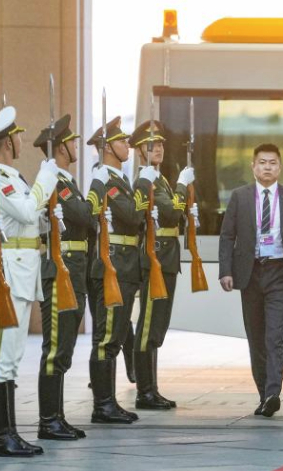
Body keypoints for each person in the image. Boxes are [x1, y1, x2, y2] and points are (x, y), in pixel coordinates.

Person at [219, 143, 283, 418]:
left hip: (281, 274)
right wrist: (226, 270)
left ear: (280, 167)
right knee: (256, 338)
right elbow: (227, 236)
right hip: (250, 273)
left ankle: (273, 392)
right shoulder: (240, 197)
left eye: (272, 162)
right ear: (253, 166)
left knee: (274, 337)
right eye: (262, 162)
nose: (267, 167)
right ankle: (264, 395)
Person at [85, 116, 155, 424]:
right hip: (113, 265)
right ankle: (103, 405)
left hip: (125, 265)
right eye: (122, 141)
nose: (128, 145)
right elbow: (131, 217)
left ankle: (108, 402)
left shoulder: (118, 180)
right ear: (108, 147)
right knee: (107, 337)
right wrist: (144, 181)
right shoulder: (106, 180)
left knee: (114, 335)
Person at [0, 106, 59, 457]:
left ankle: (8, 432)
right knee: (6, 357)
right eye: (18, 135)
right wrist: (46, 179)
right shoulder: (3, 178)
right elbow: (23, 211)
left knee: (12, 355)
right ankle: (5, 434)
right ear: (8, 140)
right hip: (12, 272)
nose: (23, 140)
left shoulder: (12, 176)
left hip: (21, 269)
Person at [32, 115, 94, 440]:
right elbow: (84, 216)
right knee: (55, 347)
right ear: (60, 147)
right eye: (71, 141)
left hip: (75, 269)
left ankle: (57, 415)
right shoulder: (54, 181)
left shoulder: (65, 181)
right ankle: (47, 420)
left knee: (65, 346)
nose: (75, 146)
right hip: (60, 270)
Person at [128, 120, 197, 410]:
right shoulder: (147, 181)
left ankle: (151, 389)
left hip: (167, 257)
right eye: (151, 145)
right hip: (155, 257)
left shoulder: (160, 179)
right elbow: (169, 213)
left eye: (161, 145)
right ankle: (145, 391)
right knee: (148, 325)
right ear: (141, 150)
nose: (158, 149)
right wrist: (183, 185)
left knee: (157, 325)